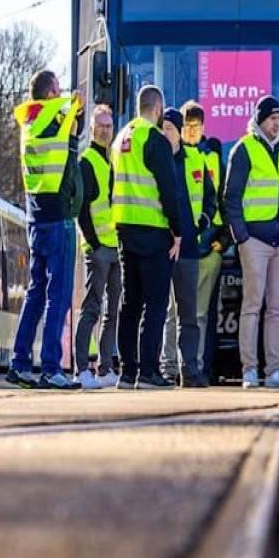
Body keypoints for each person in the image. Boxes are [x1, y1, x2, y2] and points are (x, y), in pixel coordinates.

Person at [6, 69, 84, 390]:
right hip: (58, 217)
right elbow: (68, 158)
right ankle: (51, 367)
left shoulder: (30, 123)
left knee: (36, 292)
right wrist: (75, 110)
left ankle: (20, 363)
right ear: (51, 93)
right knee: (58, 295)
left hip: (35, 217)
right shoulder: (55, 118)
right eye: (58, 89)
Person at [225, 95, 279, 389]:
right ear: (259, 120)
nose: (276, 124)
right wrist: (241, 237)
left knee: (277, 307)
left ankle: (274, 370)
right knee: (252, 305)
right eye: (271, 119)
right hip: (254, 240)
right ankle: (249, 370)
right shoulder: (244, 149)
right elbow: (231, 196)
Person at [113, 85, 183, 390]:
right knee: (155, 304)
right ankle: (149, 372)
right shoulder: (155, 140)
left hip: (124, 228)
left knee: (130, 302)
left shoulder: (121, 138)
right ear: (158, 109)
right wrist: (177, 231)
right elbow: (168, 189)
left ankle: (127, 372)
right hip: (153, 230)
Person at [159, 107, 215, 387]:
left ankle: (189, 370)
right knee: (162, 311)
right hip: (161, 245)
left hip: (189, 247)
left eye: (170, 128)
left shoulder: (195, 159)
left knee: (188, 313)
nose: (166, 133)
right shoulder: (154, 159)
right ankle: (166, 367)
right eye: (163, 128)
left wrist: (201, 223)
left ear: (179, 132)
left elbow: (210, 198)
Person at [74, 105, 122, 389]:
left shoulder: (113, 159)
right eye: (101, 125)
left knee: (113, 310)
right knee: (92, 307)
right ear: (92, 129)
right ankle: (82, 368)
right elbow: (82, 210)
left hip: (116, 246)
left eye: (109, 125)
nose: (106, 130)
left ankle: (105, 368)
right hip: (98, 247)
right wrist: (92, 243)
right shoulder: (87, 162)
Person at [181, 103, 227, 381]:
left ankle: (199, 367)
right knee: (177, 314)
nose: (192, 130)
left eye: (196, 125)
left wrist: (223, 239)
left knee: (202, 314)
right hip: (179, 245)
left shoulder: (212, 157)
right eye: (187, 125)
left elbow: (222, 198)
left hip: (209, 245)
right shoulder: (173, 154)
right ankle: (175, 367)